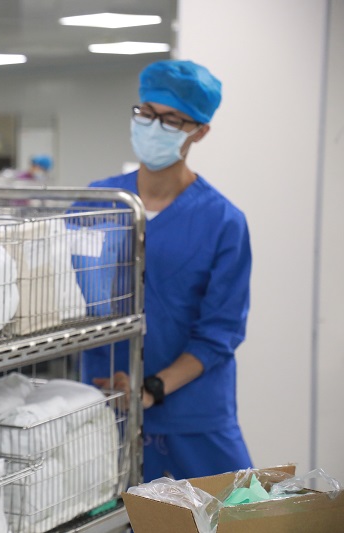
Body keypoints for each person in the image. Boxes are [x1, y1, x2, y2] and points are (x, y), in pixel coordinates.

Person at [82, 59, 253, 482]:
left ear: (199, 131)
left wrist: (152, 388)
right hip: (104, 405)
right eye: (146, 113)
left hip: (191, 414)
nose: (153, 127)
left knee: (227, 510)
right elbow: (49, 277)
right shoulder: (96, 203)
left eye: (172, 120)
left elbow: (220, 332)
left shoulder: (223, 221)